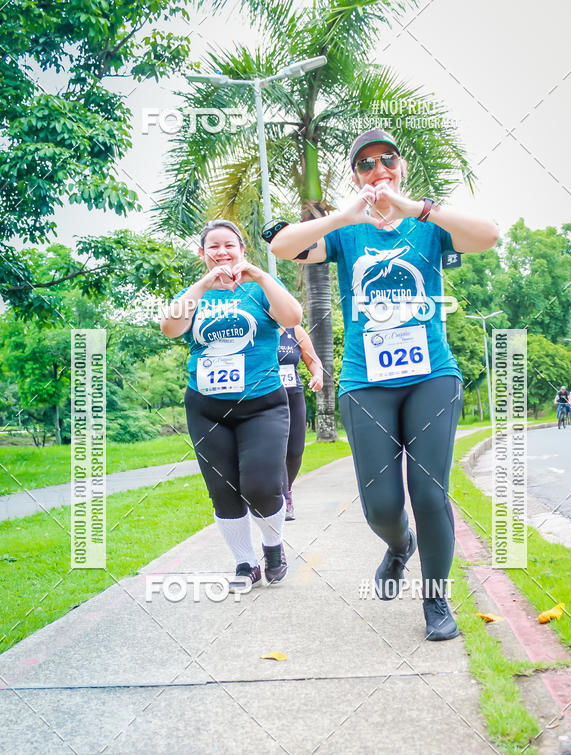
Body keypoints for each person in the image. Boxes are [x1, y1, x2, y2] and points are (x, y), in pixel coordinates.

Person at [271, 128, 499, 641]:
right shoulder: (346, 234)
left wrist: (415, 206)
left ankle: (436, 601)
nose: (379, 170)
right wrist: (346, 214)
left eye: (387, 160)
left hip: (431, 377)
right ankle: (399, 547)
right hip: (365, 381)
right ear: (355, 175)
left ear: (401, 167)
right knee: (381, 506)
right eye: (367, 164)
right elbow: (285, 246)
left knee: (429, 491)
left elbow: (488, 235)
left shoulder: (429, 226)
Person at [160, 219, 302, 589]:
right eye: (214, 247)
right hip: (207, 406)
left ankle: (273, 546)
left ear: (242, 249)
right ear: (203, 253)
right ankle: (245, 564)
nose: (222, 252)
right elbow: (170, 327)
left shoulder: (260, 288)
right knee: (222, 491)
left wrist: (260, 276)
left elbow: (292, 318)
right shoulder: (196, 292)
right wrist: (205, 283)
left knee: (260, 486)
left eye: (229, 246)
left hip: (262, 403)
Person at [278, 325, 324, 519]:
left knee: (295, 451)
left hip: (293, 397)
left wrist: (318, 375)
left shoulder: (295, 331)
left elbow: (313, 361)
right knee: (274, 450)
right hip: (265, 399)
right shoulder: (255, 325)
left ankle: (286, 489)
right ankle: (282, 499)